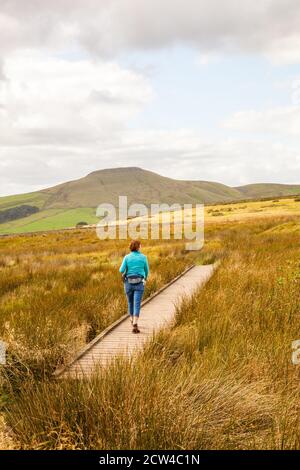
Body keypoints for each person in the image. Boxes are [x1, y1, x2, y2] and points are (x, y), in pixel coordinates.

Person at [119, 240, 149, 333]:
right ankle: (135, 323)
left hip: (128, 283)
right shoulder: (143, 257)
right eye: (140, 245)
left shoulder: (127, 257)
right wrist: (145, 279)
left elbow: (121, 270)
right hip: (139, 283)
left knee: (130, 302)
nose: (141, 246)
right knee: (137, 304)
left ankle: (131, 320)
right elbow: (146, 271)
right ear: (138, 247)